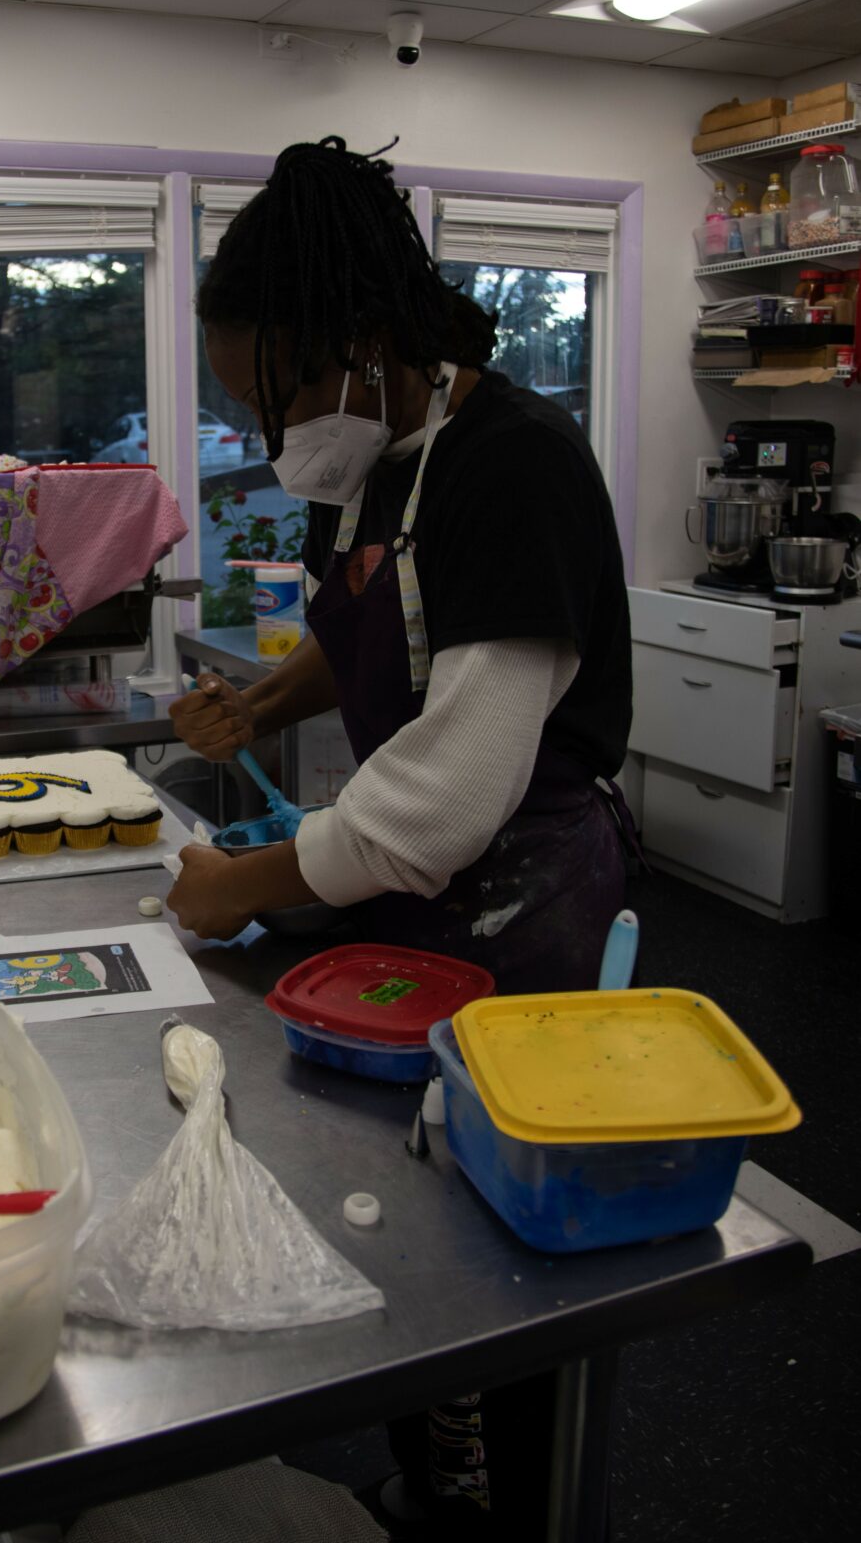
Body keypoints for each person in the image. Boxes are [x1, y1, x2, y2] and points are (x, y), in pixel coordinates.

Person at [168, 134, 634, 990]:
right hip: (400, 878)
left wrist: (236, 887)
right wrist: (254, 709)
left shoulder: (515, 467)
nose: (273, 437)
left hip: (524, 892)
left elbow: (443, 804)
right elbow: (370, 637)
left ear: (367, 344)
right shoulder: (362, 456)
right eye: (248, 410)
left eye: (278, 400)